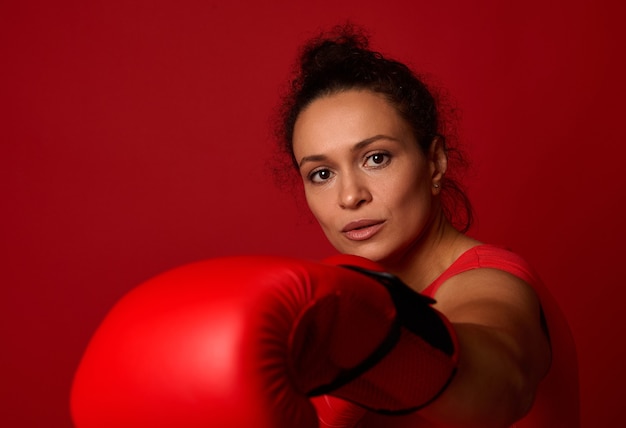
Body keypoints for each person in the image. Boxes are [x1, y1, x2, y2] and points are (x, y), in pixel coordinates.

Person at [275, 26, 580, 427]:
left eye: (376, 158)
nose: (350, 197)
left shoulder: (493, 279)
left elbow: (500, 382)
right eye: (321, 173)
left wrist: (367, 348)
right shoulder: (343, 295)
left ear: (434, 162)